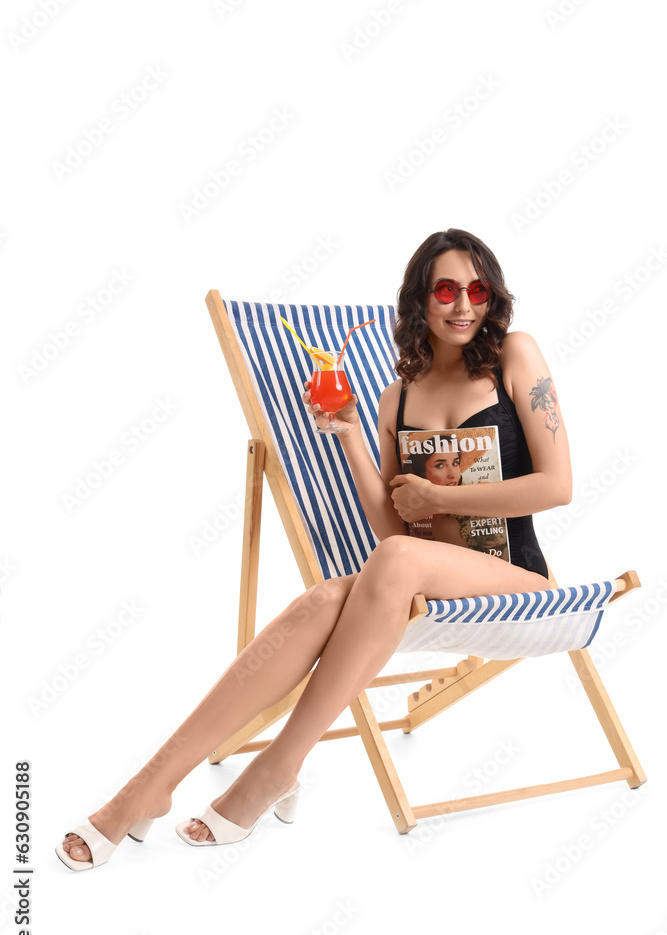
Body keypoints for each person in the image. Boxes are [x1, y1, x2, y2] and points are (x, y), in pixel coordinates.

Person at [57, 228, 570, 870]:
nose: (463, 303)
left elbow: (558, 486)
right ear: (419, 299)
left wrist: (438, 502)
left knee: (386, 568)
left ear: (492, 296)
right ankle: (148, 786)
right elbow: (393, 535)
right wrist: (355, 438)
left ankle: (277, 765)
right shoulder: (397, 397)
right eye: (446, 289)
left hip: (518, 582)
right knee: (326, 596)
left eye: (477, 289)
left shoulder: (515, 357)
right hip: (427, 578)